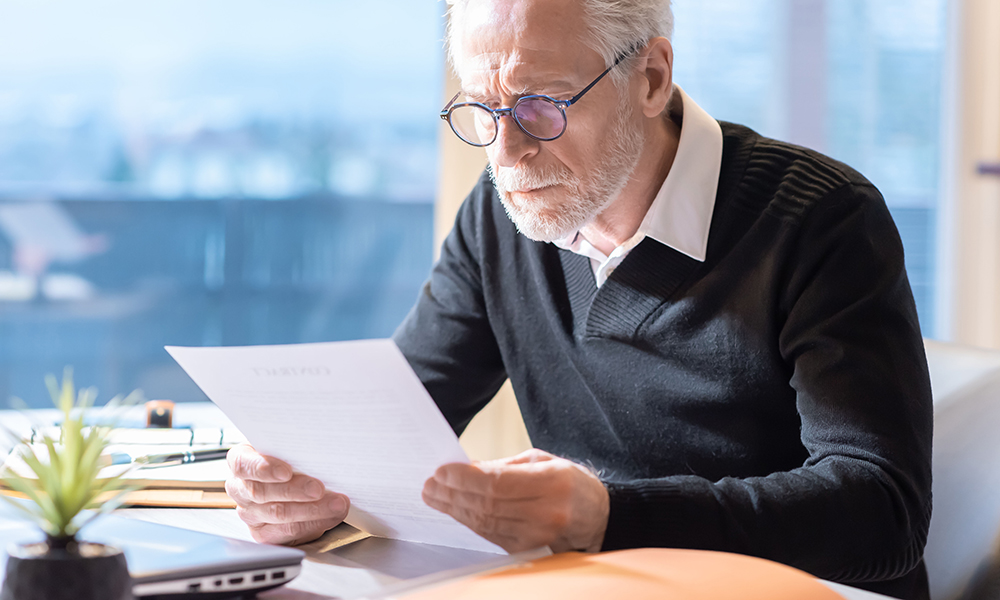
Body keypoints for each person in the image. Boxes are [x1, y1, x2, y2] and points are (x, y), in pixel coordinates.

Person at [225, 0, 934, 598]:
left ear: (651, 78)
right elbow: (396, 424)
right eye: (481, 107)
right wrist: (304, 488)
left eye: (539, 104)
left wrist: (608, 516)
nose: (505, 153)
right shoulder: (501, 216)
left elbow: (883, 512)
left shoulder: (820, 218)